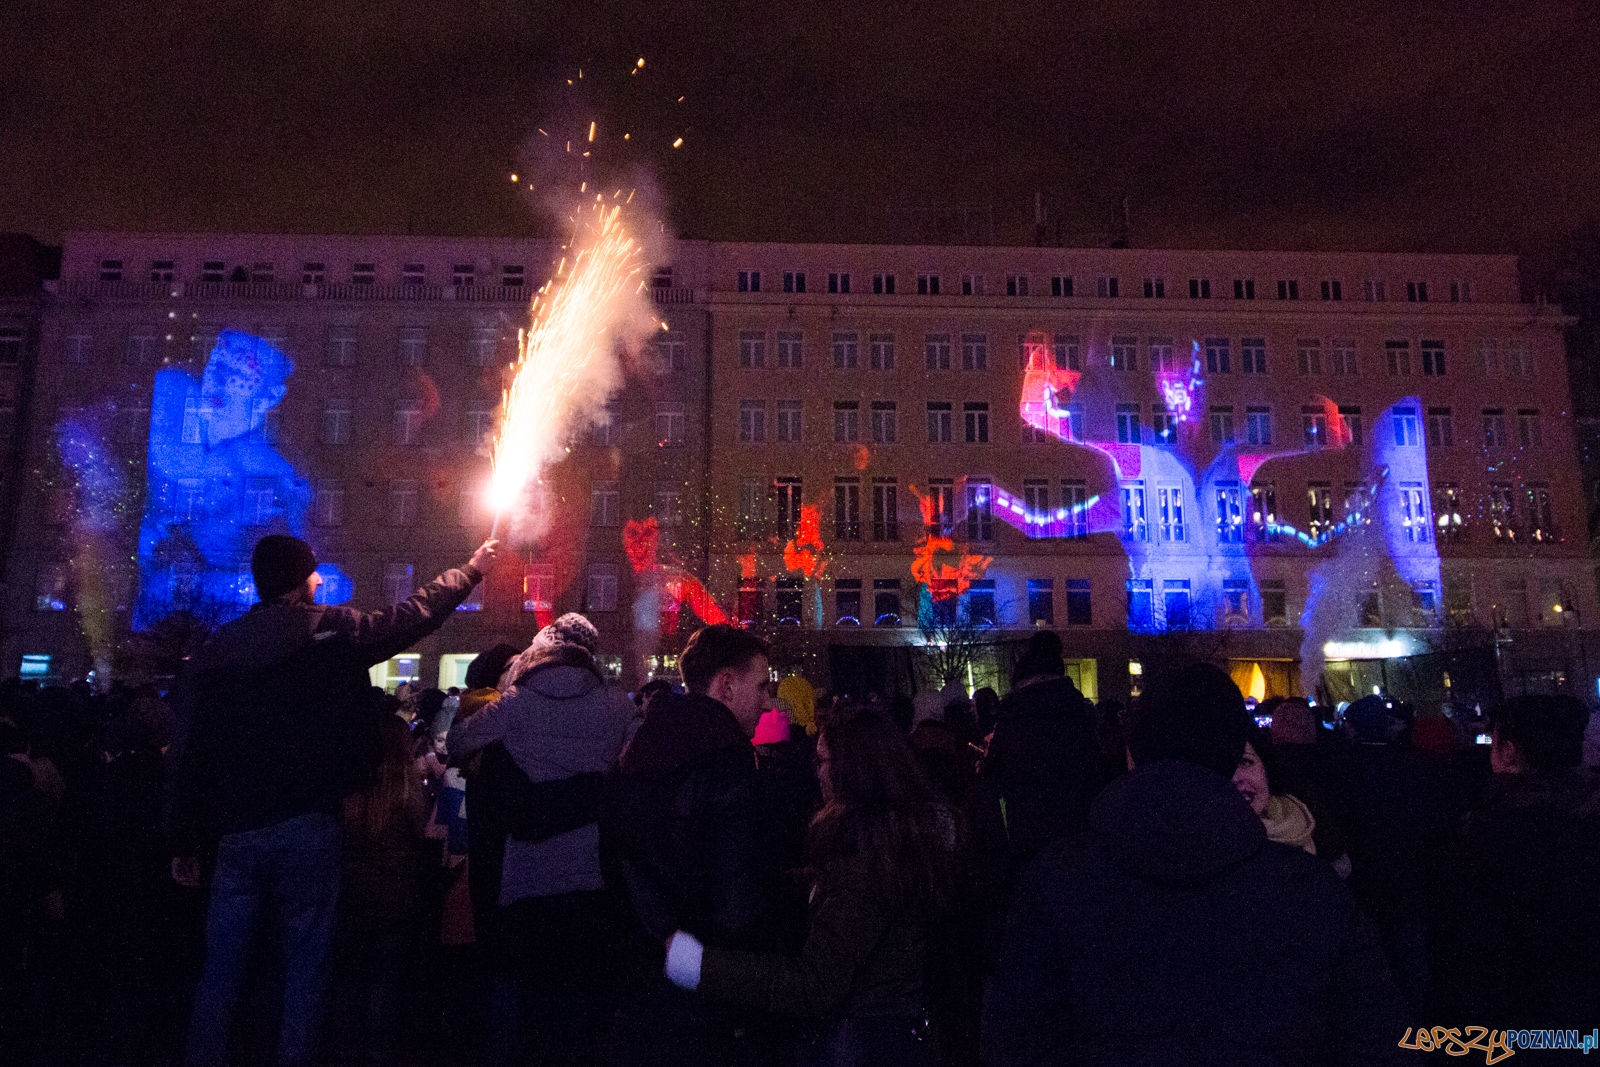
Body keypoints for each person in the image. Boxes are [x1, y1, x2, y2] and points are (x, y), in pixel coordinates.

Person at [167, 533, 497, 1067]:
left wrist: (184, 837)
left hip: (237, 829)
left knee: (222, 968)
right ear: (300, 580)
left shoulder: (220, 649)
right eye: (314, 573)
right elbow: (411, 616)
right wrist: (472, 569)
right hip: (311, 821)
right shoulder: (332, 631)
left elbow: (190, 749)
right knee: (305, 967)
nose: (321, 580)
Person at [984, 663, 1412, 1066]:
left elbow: (1014, 1040)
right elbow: (1377, 1041)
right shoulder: (1310, 889)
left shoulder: (1057, 882)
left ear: (1133, 752)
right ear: (1233, 755)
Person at [662, 704, 960, 1066]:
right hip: (886, 1037)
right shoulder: (890, 841)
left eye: (822, 761)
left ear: (853, 769)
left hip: (861, 1044)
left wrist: (698, 964)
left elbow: (814, 985)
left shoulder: (870, 856)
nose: (816, 773)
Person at [446, 613, 642, 1066]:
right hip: (591, 871)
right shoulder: (616, 704)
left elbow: (456, 743)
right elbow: (636, 762)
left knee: (514, 983)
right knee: (576, 991)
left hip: (524, 872)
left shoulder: (514, 703)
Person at [601, 624, 795, 1067]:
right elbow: (737, 905)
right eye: (762, 685)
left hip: (642, 981)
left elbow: (620, 863)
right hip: (709, 993)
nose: (768, 701)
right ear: (726, 684)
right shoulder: (728, 766)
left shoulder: (640, 750)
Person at [1431, 695, 1600, 1027]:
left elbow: (1465, 954)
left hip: (1524, 1019)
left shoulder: (1484, 837)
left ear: (1507, 751)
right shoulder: (1588, 812)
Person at [331, 715, 429, 1063]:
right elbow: (423, 837)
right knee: (384, 982)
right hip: (396, 896)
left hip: (350, 894)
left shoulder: (346, 786)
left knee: (347, 979)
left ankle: (346, 1050)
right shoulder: (407, 788)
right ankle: (379, 1052)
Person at [1233, 735, 1351, 877]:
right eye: (1220, 767)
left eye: (1245, 762)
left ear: (1265, 768)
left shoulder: (1309, 814)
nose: (1235, 778)